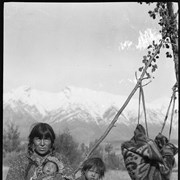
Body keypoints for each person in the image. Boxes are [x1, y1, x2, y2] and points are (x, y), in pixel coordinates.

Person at [6, 122, 73, 180]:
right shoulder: (21, 160)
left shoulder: (61, 160)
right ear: (33, 140)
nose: (42, 144)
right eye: (38, 139)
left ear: (51, 141)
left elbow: (70, 177)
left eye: (46, 139)